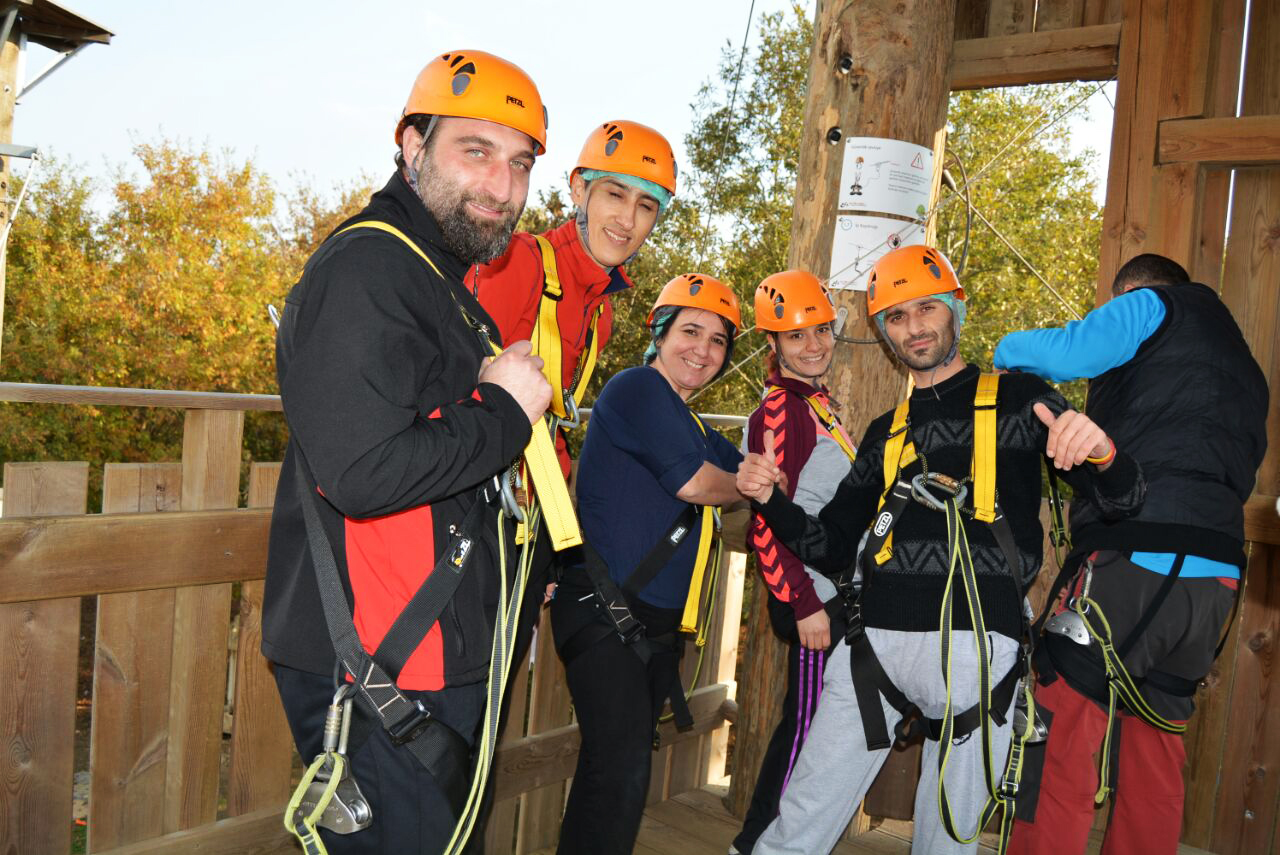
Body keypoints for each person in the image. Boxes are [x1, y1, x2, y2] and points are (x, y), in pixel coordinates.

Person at [736, 244, 1146, 855]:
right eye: (896, 318)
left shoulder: (1022, 400)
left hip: (980, 653)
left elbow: (1122, 497)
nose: (914, 327)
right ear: (882, 333)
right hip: (874, 648)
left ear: (956, 308)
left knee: (945, 843)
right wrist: (770, 501)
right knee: (798, 824)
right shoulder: (884, 433)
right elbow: (831, 547)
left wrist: (1102, 452)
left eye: (926, 309)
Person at [262, 50, 553, 854]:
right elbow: (363, 471)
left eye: (520, 163)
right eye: (476, 151)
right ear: (411, 145)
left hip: (421, 650)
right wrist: (504, 410)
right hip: (381, 662)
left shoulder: (430, 277)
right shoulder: (369, 268)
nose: (501, 185)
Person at [993, 253, 1268, 855]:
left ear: (1129, 295)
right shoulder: (1248, 372)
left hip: (1136, 559)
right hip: (1215, 583)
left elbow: (1065, 353)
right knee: (1156, 746)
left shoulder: (1152, 306)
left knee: (1060, 727)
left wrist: (1004, 348)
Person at [550, 274, 745, 855]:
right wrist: (745, 484)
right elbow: (699, 483)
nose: (703, 350)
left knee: (612, 771)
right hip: (606, 612)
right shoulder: (635, 388)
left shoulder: (694, 425)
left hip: (646, 626)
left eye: (717, 341)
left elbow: (748, 466)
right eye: (690, 331)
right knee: (620, 773)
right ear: (658, 334)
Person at [731, 271, 857, 855]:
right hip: (810, 603)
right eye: (797, 336)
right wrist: (804, 606)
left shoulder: (819, 404)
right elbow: (767, 520)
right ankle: (755, 844)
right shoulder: (781, 411)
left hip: (831, 595)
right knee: (803, 734)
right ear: (773, 346)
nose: (814, 345)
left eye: (822, 330)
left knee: (817, 734)